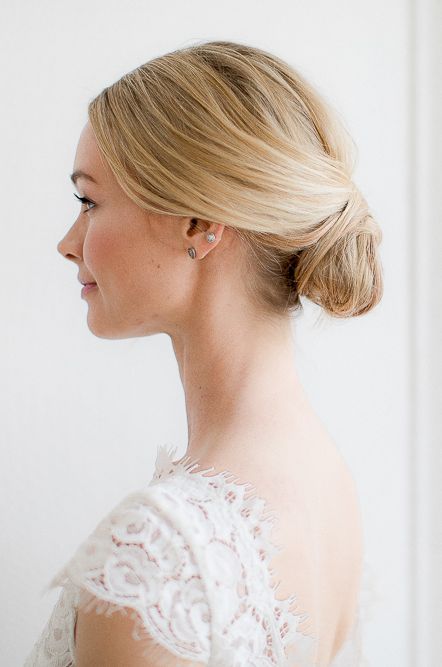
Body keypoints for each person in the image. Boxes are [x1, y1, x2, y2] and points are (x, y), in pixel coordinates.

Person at [24, 40, 383, 666]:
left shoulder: (162, 551)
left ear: (198, 220)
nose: (67, 242)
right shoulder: (327, 482)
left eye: (88, 202)